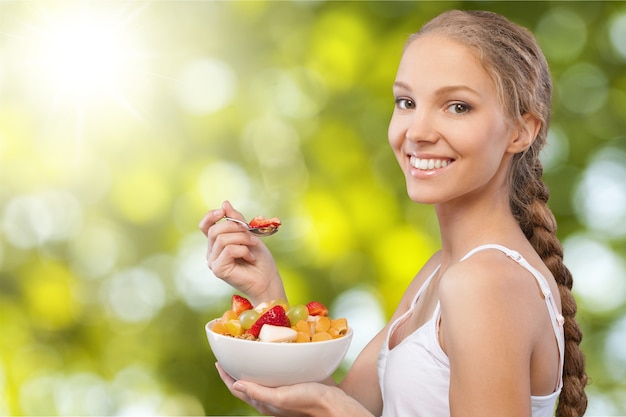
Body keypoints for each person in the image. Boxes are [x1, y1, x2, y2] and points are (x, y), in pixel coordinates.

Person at [199, 9, 588, 417]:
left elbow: (341, 411)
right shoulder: (441, 272)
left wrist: (339, 411)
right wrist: (267, 296)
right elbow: (344, 404)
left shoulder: (485, 282)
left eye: (457, 107)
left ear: (520, 131)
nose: (417, 131)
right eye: (406, 102)